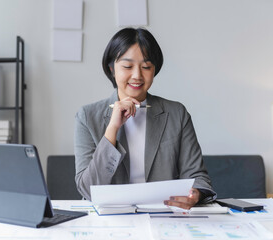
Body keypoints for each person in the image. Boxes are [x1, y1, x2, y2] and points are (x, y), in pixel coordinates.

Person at [74, 27, 216, 209]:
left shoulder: (176, 113)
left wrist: (194, 193)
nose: (137, 76)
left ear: (154, 70)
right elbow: (88, 190)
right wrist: (112, 129)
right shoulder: (87, 116)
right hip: (110, 220)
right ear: (111, 69)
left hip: (164, 215)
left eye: (146, 67)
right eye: (127, 66)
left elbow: (197, 177)